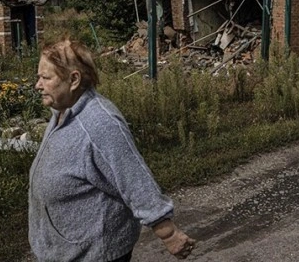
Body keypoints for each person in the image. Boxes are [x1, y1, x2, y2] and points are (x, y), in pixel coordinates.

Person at [29, 38, 195, 261]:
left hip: (95, 254)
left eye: (46, 78)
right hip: (66, 250)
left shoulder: (100, 123)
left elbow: (133, 178)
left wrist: (169, 233)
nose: (38, 85)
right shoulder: (63, 111)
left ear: (74, 79)